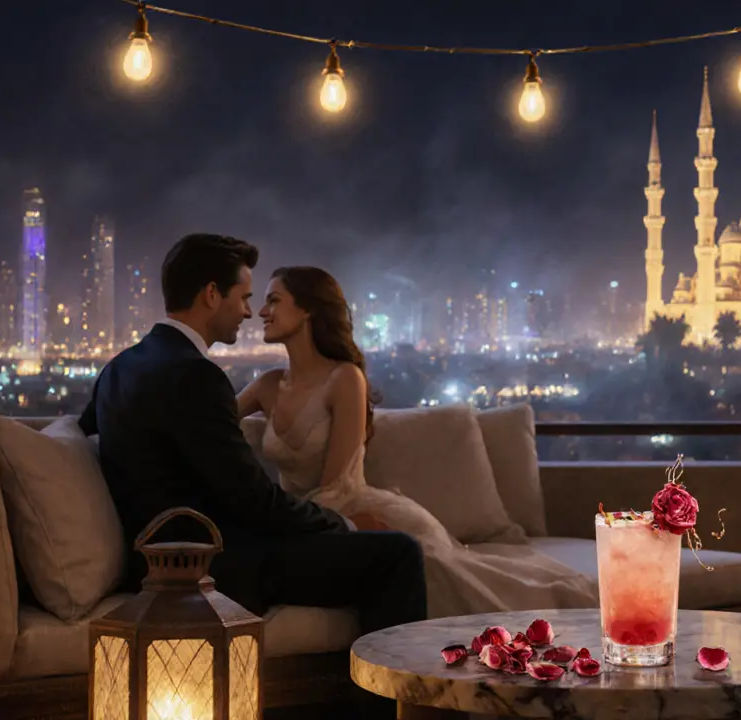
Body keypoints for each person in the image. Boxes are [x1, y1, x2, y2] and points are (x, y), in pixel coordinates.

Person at [80, 234, 424, 720]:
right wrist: (343, 524)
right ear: (211, 295)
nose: (248, 312)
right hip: (212, 563)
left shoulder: (118, 369)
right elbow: (253, 500)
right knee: (398, 555)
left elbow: (85, 432)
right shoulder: (196, 376)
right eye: (243, 297)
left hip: (155, 556)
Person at [238, 266, 597, 619]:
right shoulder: (267, 386)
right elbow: (213, 418)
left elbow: (334, 487)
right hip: (309, 522)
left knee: (457, 581)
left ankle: (565, 606)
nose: (262, 311)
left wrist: (283, 525)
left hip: (356, 513)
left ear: (307, 309)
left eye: (274, 300)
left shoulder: (344, 379)